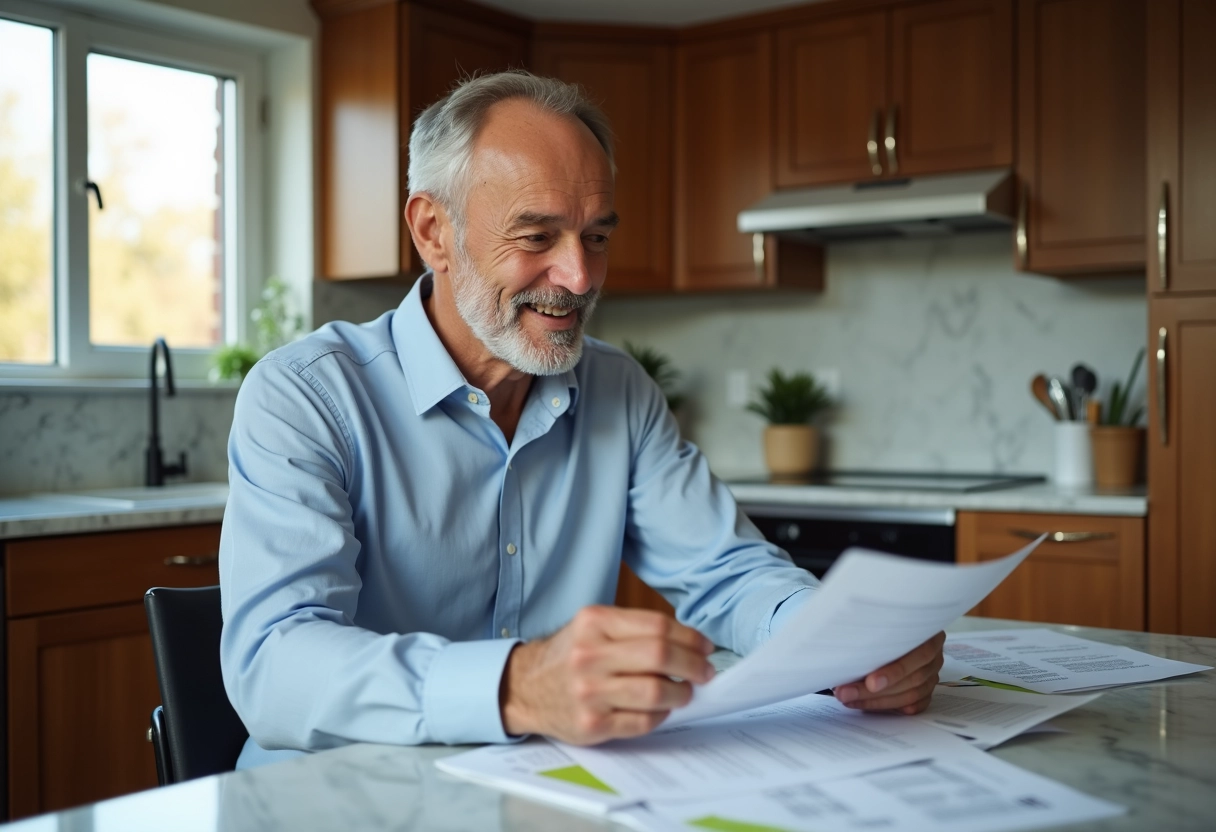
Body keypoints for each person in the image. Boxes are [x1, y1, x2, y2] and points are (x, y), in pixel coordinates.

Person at [219, 71, 945, 768]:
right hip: (338, 798)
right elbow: (275, 664)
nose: (580, 276)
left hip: (542, 790)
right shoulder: (305, 397)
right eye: (537, 238)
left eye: (596, 236)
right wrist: (517, 686)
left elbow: (725, 573)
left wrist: (843, 643)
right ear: (434, 231)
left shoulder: (619, 391)